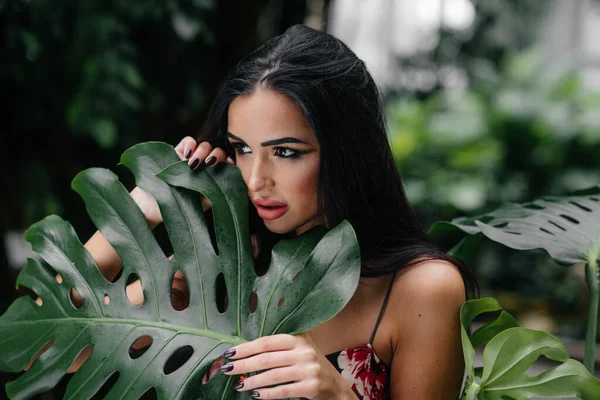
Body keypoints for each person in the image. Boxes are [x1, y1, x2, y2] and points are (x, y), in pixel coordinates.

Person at [72, 24, 475, 399]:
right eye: (243, 149)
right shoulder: (224, 266)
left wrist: (335, 394)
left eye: (285, 152)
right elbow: (52, 348)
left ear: (349, 153)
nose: (256, 180)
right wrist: (142, 210)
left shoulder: (421, 289)